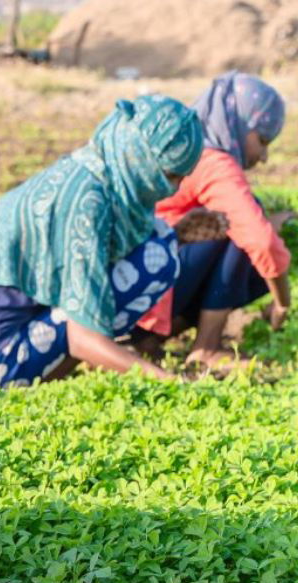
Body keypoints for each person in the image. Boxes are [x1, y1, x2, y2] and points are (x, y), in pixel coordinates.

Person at [0, 95, 215, 388]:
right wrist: (170, 383)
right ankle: (37, 384)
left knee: (160, 244)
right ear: (140, 156)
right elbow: (83, 338)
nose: (172, 189)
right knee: (156, 260)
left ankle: (48, 374)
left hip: (16, 330)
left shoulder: (97, 173)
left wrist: (178, 236)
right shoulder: (87, 202)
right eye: (168, 175)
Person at [133, 72, 291, 367]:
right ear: (239, 123)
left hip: (131, 291)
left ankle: (148, 339)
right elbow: (259, 239)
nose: (265, 156)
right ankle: (207, 346)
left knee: (240, 233)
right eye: (263, 139)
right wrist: (282, 302)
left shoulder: (187, 146)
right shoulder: (212, 160)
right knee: (238, 228)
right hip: (142, 295)